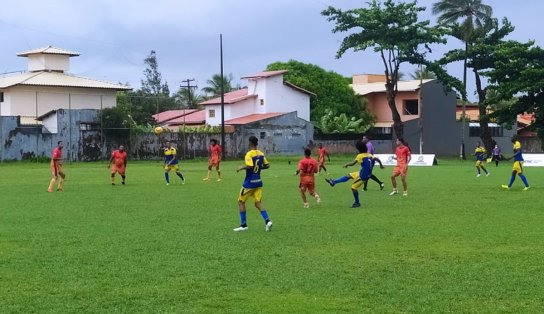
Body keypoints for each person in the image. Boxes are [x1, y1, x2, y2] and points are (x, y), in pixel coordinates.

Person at [325, 141, 384, 208]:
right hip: (363, 173)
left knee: (353, 188)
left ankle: (357, 203)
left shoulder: (360, 156)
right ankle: (333, 182)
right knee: (348, 176)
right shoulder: (369, 155)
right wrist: (381, 165)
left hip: (363, 176)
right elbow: (377, 159)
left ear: (359, 149)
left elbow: (353, 163)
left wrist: (347, 164)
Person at [233, 136, 273, 232]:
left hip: (249, 183)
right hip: (258, 182)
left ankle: (243, 225)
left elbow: (250, 166)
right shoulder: (261, 153)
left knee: (240, 201)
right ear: (257, 144)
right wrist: (259, 167)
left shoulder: (249, 154)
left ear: (250, 144)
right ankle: (267, 221)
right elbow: (267, 165)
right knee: (258, 203)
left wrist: (241, 167)